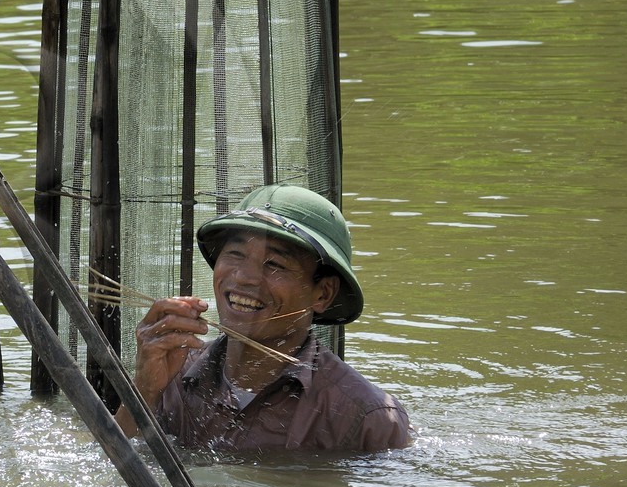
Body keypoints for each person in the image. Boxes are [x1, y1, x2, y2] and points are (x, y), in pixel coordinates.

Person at [115, 183, 411, 453]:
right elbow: (114, 467)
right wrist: (144, 389)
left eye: (275, 264)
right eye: (235, 253)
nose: (244, 277)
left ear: (322, 294)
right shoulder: (175, 372)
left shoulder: (365, 419)